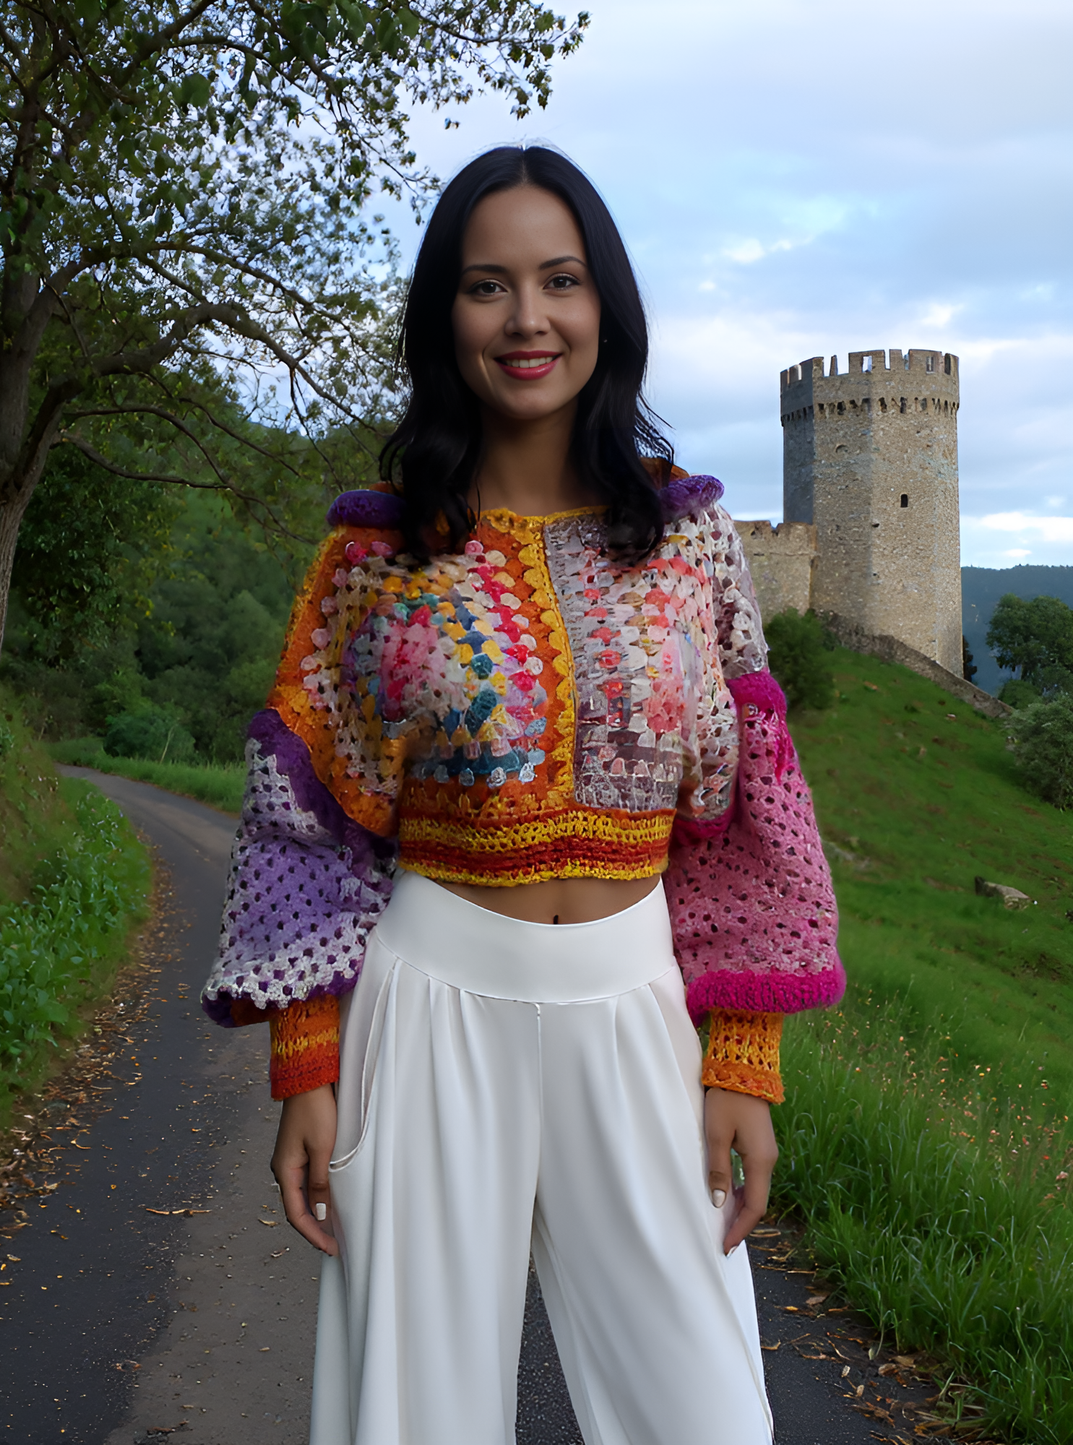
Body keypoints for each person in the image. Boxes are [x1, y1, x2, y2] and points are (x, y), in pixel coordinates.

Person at [201, 145, 843, 1445]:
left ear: (607, 304)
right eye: (488, 285)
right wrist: (305, 1059)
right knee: (412, 1417)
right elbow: (306, 823)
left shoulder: (691, 543)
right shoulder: (377, 557)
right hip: (428, 1009)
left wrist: (745, 1053)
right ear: (447, 314)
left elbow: (742, 815)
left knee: (707, 1418)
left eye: (560, 280)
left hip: (638, 1011)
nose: (527, 318)